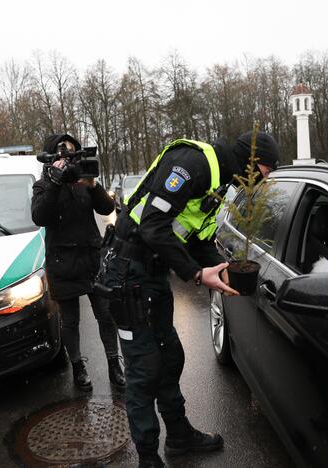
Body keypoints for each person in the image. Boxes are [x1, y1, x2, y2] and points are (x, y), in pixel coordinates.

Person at [95, 132, 279, 467]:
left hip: (152, 273)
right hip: (127, 272)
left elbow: (197, 239)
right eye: (263, 173)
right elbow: (152, 225)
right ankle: (148, 457)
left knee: (170, 356)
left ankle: (179, 437)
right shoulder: (193, 164)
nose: (260, 183)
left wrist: (218, 268)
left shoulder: (221, 184)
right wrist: (195, 274)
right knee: (143, 369)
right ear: (251, 163)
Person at [31, 133, 125, 391]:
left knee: (106, 316)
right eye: (62, 153)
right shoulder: (42, 186)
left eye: (72, 153)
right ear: (51, 157)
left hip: (91, 260)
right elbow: (40, 216)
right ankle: (78, 366)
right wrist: (55, 182)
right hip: (62, 264)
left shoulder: (85, 182)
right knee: (70, 321)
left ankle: (114, 363)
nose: (68, 158)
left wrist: (93, 184)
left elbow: (107, 209)